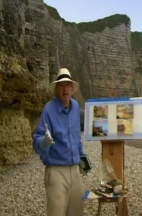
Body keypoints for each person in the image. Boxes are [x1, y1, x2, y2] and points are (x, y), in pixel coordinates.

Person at [32, 68, 85, 216]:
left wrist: (83, 160)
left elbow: (76, 138)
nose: (65, 88)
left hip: (75, 169)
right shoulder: (49, 109)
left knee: (77, 211)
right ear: (56, 89)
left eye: (68, 84)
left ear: (72, 88)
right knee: (57, 211)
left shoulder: (75, 107)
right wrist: (44, 142)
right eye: (61, 85)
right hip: (56, 171)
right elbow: (37, 140)